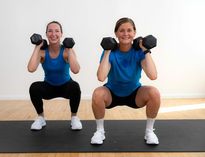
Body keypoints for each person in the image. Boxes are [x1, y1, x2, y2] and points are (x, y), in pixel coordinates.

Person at [90, 17, 161, 145]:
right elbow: (101, 77)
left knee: (154, 93)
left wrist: (146, 49)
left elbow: (153, 75)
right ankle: (99, 131)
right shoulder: (109, 52)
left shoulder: (139, 52)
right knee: (97, 93)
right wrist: (107, 51)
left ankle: (149, 132)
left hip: (134, 94)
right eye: (121, 31)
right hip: (112, 93)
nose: (126, 34)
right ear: (116, 34)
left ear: (134, 33)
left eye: (129, 30)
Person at [27, 21, 82, 131]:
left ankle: (74, 118)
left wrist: (69, 49)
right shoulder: (42, 52)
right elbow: (31, 69)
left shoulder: (66, 51)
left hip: (66, 86)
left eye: (57, 31)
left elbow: (76, 70)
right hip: (49, 87)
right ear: (46, 34)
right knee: (34, 87)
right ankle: (41, 118)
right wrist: (37, 46)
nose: (53, 34)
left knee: (75, 86)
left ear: (61, 34)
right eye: (50, 31)